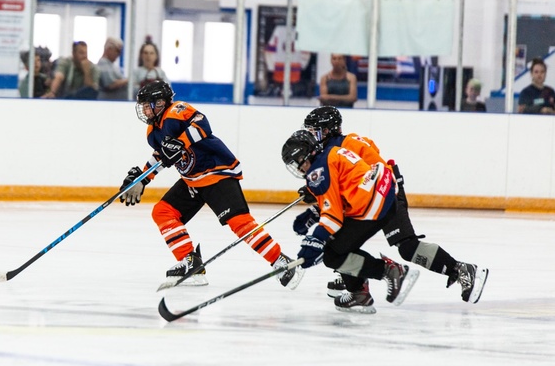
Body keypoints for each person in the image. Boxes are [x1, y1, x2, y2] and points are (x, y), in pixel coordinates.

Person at [295, 106, 488, 306]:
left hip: (385, 191)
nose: (311, 135)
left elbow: (366, 175)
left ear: (327, 130)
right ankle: (357, 286)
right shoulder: (339, 146)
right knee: (340, 242)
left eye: (314, 130)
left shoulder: (342, 146)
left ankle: (461, 271)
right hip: (379, 191)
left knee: (407, 247)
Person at [119, 80, 296, 288]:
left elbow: (202, 124)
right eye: (143, 106)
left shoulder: (177, 110)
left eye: (148, 105)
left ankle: (281, 261)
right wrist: (142, 177)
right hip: (192, 181)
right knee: (163, 211)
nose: (145, 110)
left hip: (216, 173)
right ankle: (190, 263)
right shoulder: (153, 131)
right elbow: (163, 156)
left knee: (240, 222)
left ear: (161, 103)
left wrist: (181, 143)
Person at [281, 129, 421, 313]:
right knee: (340, 245)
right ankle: (359, 293)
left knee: (332, 253)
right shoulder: (331, 151)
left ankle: (389, 272)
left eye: (297, 163)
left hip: (372, 205)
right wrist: (315, 212)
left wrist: (314, 243)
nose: (299, 169)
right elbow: (343, 192)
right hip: (384, 196)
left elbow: (333, 218)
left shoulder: (318, 171)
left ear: (304, 156)